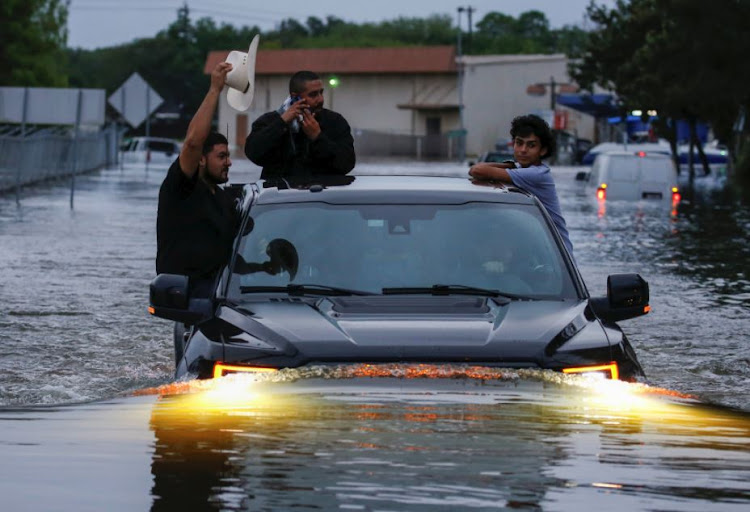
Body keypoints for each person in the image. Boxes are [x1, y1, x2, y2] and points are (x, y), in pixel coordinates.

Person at [156, 61, 240, 283]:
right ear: (201, 160)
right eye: (221, 157)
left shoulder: (225, 201)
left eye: (228, 156)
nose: (229, 163)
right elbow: (193, 142)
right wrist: (214, 90)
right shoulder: (181, 188)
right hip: (185, 299)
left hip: (222, 295)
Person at [469, 114, 574, 258]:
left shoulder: (537, 174)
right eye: (519, 143)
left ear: (542, 150)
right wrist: (511, 165)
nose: (523, 150)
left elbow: (476, 170)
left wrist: (509, 167)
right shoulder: (522, 170)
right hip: (539, 248)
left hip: (557, 255)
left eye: (531, 145)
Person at [244, 70, 355, 178]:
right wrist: (281, 123)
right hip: (280, 194)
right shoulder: (269, 121)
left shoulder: (334, 121)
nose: (320, 99)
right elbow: (253, 153)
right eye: (313, 95)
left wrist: (318, 138)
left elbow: (347, 164)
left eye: (321, 92)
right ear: (295, 97)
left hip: (323, 194)